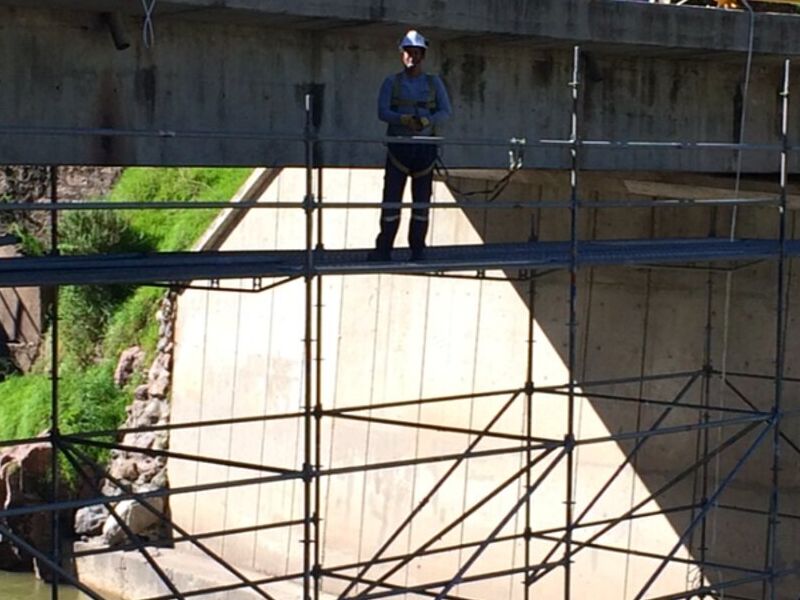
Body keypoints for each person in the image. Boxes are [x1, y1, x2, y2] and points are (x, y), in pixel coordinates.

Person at [370, 29, 452, 262]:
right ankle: (384, 248)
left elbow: (446, 111)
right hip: (399, 148)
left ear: (422, 55)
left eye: (416, 53)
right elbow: (382, 111)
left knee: (421, 203)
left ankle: (417, 249)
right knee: (391, 201)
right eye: (408, 53)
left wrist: (428, 120)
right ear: (402, 54)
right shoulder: (391, 83)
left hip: (424, 149)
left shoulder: (434, 83)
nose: (412, 57)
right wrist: (402, 119)